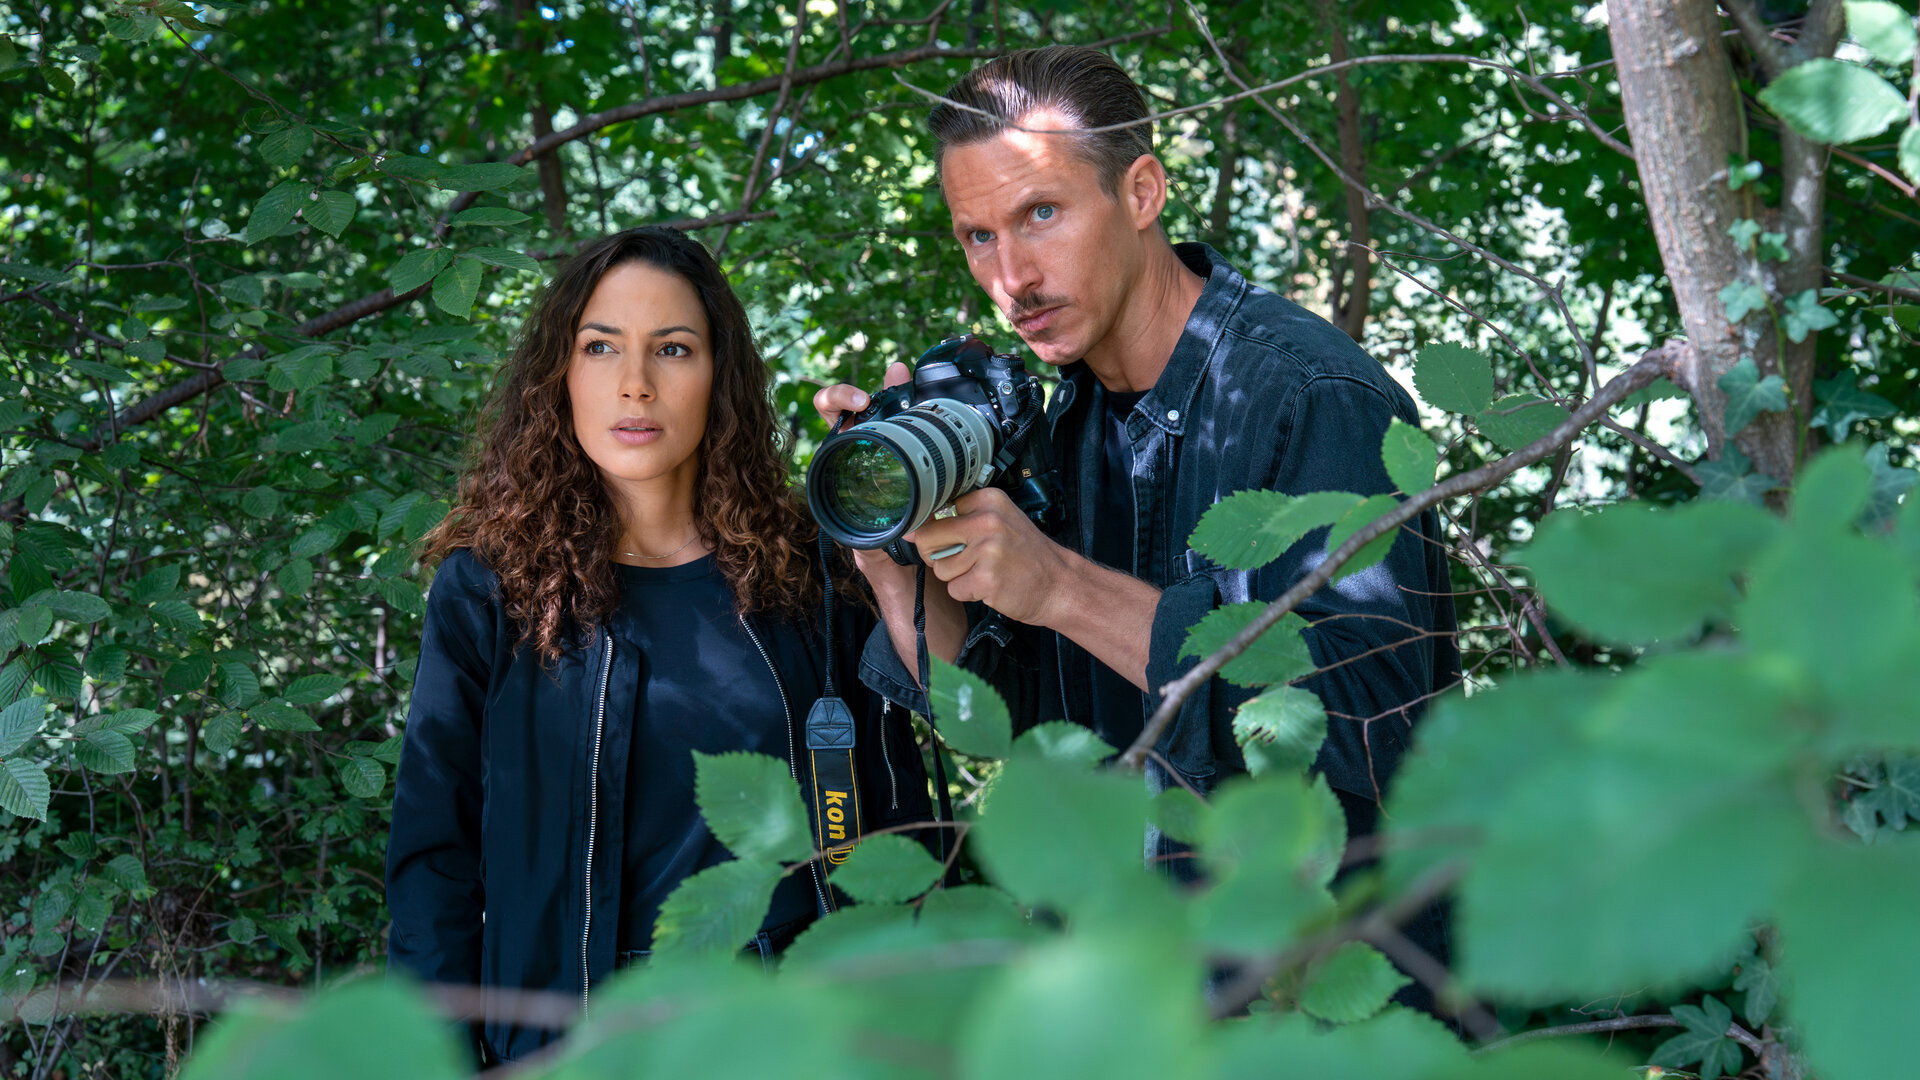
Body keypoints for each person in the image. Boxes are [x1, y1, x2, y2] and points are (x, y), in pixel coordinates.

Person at [818, 44, 1457, 972]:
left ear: (1142, 192)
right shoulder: (1062, 424)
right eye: (978, 236)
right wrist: (891, 553)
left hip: (1311, 992)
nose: (1011, 277)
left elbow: (1368, 723)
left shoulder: (1307, 395)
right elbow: (1004, 719)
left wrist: (1063, 587)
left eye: (1041, 214)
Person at [386, 226, 930, 1067]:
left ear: (720, 377)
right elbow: (434, 859)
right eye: (600, 347)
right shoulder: (491, 589)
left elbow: (895, 812)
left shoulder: (810, 572)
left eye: (672, 349)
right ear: (559, 375)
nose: (634, 383)